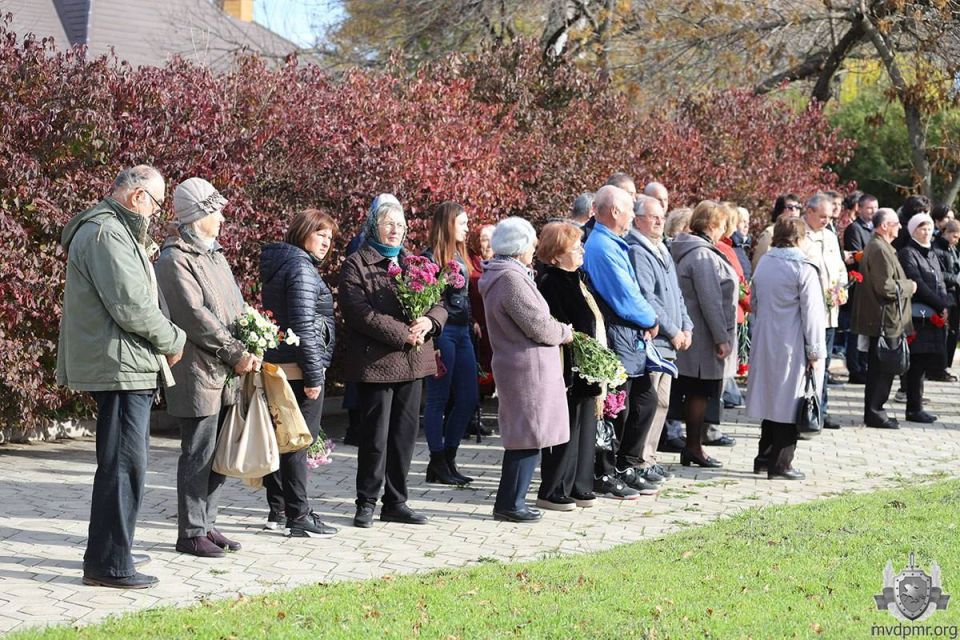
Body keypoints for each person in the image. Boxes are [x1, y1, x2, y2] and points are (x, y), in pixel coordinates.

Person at [57, 165, 185, 589]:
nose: (156, 211)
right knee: (123, 467)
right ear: (136, 197)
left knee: (121, 464)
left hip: (125, 364)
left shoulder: (113, 231)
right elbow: (131, 306)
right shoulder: (107, 233)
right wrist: (173, 338)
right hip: (122, 367)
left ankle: (109, 553)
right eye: (156, 202)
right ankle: (110, 564)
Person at [155, 178, 256, 558]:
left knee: (219, 454)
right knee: (198, 452)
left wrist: (254, 340)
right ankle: (190, 532)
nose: (223, 217)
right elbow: (194, 317)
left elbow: (236, 306)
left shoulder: (214, 255)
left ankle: (207, 524)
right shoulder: (174, 259)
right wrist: (234, 351)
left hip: (227, 369)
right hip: (198, 372)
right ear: (198, 216)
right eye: (216, 211)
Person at [339, 194, 448, 527]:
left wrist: (429, 322)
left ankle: (396, 501)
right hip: (379, 364)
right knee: (375, 436)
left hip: (414, 363)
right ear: (374, 224)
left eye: (400, 225)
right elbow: (359, 312)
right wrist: (404, 333)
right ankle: (366, 501)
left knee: (403, 435)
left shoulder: (414, 262)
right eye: (388, 224)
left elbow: (440, 300)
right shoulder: (357, 263)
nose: (395, 230)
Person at [479, 217, 574, 522]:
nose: (535, 247)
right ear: (519, 246)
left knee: (530, 434)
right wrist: (564, 332)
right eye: (532, 242)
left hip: (523, 364)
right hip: (526, 368)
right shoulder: (510, 278)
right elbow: (536, 324)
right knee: (527, 435)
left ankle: (514, 501)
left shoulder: (507, 274)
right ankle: (510, 503)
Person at [259, 208, 341, 537]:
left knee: (284, 439)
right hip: (298, 368)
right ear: (303, 232)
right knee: (297, 441)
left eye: (330, 238)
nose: (326, 243)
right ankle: (299, 515)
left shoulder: (282, 262)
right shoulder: (301, 268)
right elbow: (304, 326)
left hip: (281, 365)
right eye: (320, 234)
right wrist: (315, 376)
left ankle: (278, 508)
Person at [583, 185, 661, 496]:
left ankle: (626, 463)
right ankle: (607, 469)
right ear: (615, 211)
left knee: (643, 399)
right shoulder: (601, 246)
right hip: (618, 335)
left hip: (628, 334)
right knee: (619, 406)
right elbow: (624, 295)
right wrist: (650, 319)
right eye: (629, 209)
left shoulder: (612, 242)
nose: (632, 215)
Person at [747, 217, 826, 480]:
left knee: (771, 397)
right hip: (792, 340)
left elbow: (754, 301)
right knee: (790, 401)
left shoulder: (765, 263)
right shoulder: (803, 267)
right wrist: (815, 350)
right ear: (801, 238)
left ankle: (763, 455)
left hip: (765, 336)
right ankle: (781, 463)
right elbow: (813, 314)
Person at [535, 222, 605, 509]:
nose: (581, 251)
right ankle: (554, 487)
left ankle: (580, 483)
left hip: (586, 364)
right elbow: (556, 324)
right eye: (574, 247)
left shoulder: (578, 277)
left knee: (585, 425)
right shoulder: (550, 282)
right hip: (566, 365)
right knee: (566, 427)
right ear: (555, 254)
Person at [626, 196, 691, 480]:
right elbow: (647, 296)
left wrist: (687, 326)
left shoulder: (662, 248)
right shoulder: (637, 250)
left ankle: (649, 457)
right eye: (652, 216)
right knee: (650, 401)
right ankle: (639, 459)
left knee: (663, 402)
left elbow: (676, 294)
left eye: (661, 216)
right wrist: (673, 330)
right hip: (655, 342)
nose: (659, 221)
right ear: (637, 219)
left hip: (671, 342)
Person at [670, 200, 739, 468]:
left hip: (697, 334)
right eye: (722, 225)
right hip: (703, 338)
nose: (724, 231)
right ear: (711, 225)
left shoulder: (693, 250)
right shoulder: (701, 255)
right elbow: (710, 300)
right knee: (699, 393)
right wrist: (722, 338)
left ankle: (693, 446)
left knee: (696, 393)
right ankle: (694, 447)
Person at [422, 202, 480, 484]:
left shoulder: (459, 254)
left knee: (468, 397)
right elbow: (428, 301)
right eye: (463, 223)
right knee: (438, 398)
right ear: (448, 224)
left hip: (463, 332)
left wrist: (472, 320)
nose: (468, 228)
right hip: (442, 333)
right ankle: (437, 461)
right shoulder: (430, 258)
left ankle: (449, 457)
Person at [851, 208, 916, 429]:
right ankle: (875, 412)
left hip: (886, 318)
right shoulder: (879, 248)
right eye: (896, 223)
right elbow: (885, 287)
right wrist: (910, 286)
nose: (900, 227)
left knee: (882, 368)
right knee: (883, 368)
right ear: (884, 226)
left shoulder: (883, 246)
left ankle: (875, 411)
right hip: (884, 319)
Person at [800, 193, 847, 430]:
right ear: (808, 212)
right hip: (808, 313)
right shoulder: (799, 235)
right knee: (808, 363)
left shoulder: (830, 236)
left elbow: (839, 269)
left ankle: (821, 410)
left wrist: (841, 290)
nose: (826, 221)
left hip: (830, 313)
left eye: (829, 217)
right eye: (822, 216)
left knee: (825, 364)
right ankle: (801, 410)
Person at [897, 213, 949, 423]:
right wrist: (939, 304)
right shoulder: (908, 253)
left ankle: (917, 405)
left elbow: (940, 281)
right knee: (916, 362)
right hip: (919, 316)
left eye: (928, 228)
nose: (926, 232)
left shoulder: (932, 253)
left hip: (934, 314)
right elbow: (918, 283)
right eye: (921, 228)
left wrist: (943, 304)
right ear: (912, 230)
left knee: (924, 361)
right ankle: (913, 408)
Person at [842, 193, 878, 384]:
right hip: (858, 285)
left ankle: (863, 366)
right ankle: (855, 369)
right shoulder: (854, 229)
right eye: (869, 208)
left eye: (875, 207)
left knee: (866, 329)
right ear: (860, 208)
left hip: (872, 286)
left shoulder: (875, 229)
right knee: (855, 330)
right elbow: (856, 256)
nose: (872, 211)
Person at [467, 223, 496, 428]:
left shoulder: (499, 264)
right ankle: (470, 419)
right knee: (474, 375)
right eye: (483, 238)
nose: (486, 243)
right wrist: (472, 320)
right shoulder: (469, 265)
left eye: (491, 239)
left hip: (495, 330)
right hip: (476, 329)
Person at [932, 219, 960, 379]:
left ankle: (946, 366)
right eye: (954, 236)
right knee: (944, 332)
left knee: (953, 333)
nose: (956, 240)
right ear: (946, 232)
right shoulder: (937, 248)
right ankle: (939, 368)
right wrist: (955, 278)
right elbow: (938, 273)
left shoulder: (952, 248)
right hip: (945, 294)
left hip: (954, 295)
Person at [752, 193, 801, 271]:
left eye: (798, 207)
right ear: (780, 210)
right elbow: (758, 265)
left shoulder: (801, 233)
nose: (794, 211)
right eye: (790, 207)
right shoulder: (770, 233)